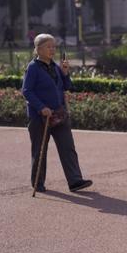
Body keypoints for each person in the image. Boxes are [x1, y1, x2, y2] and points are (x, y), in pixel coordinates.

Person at [22, 33, 93, 193]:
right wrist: (41, 107)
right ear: (38, 49)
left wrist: (65, 72)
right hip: (40, 118)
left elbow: (67, 86)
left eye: (54, 46)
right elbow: (26, 91)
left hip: (59, 115)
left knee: (68, 147)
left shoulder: (55, 67)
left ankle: (75, 181)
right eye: (49, 46)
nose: (52, 49)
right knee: (40, 150)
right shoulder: (32, 68)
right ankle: (38, 183)